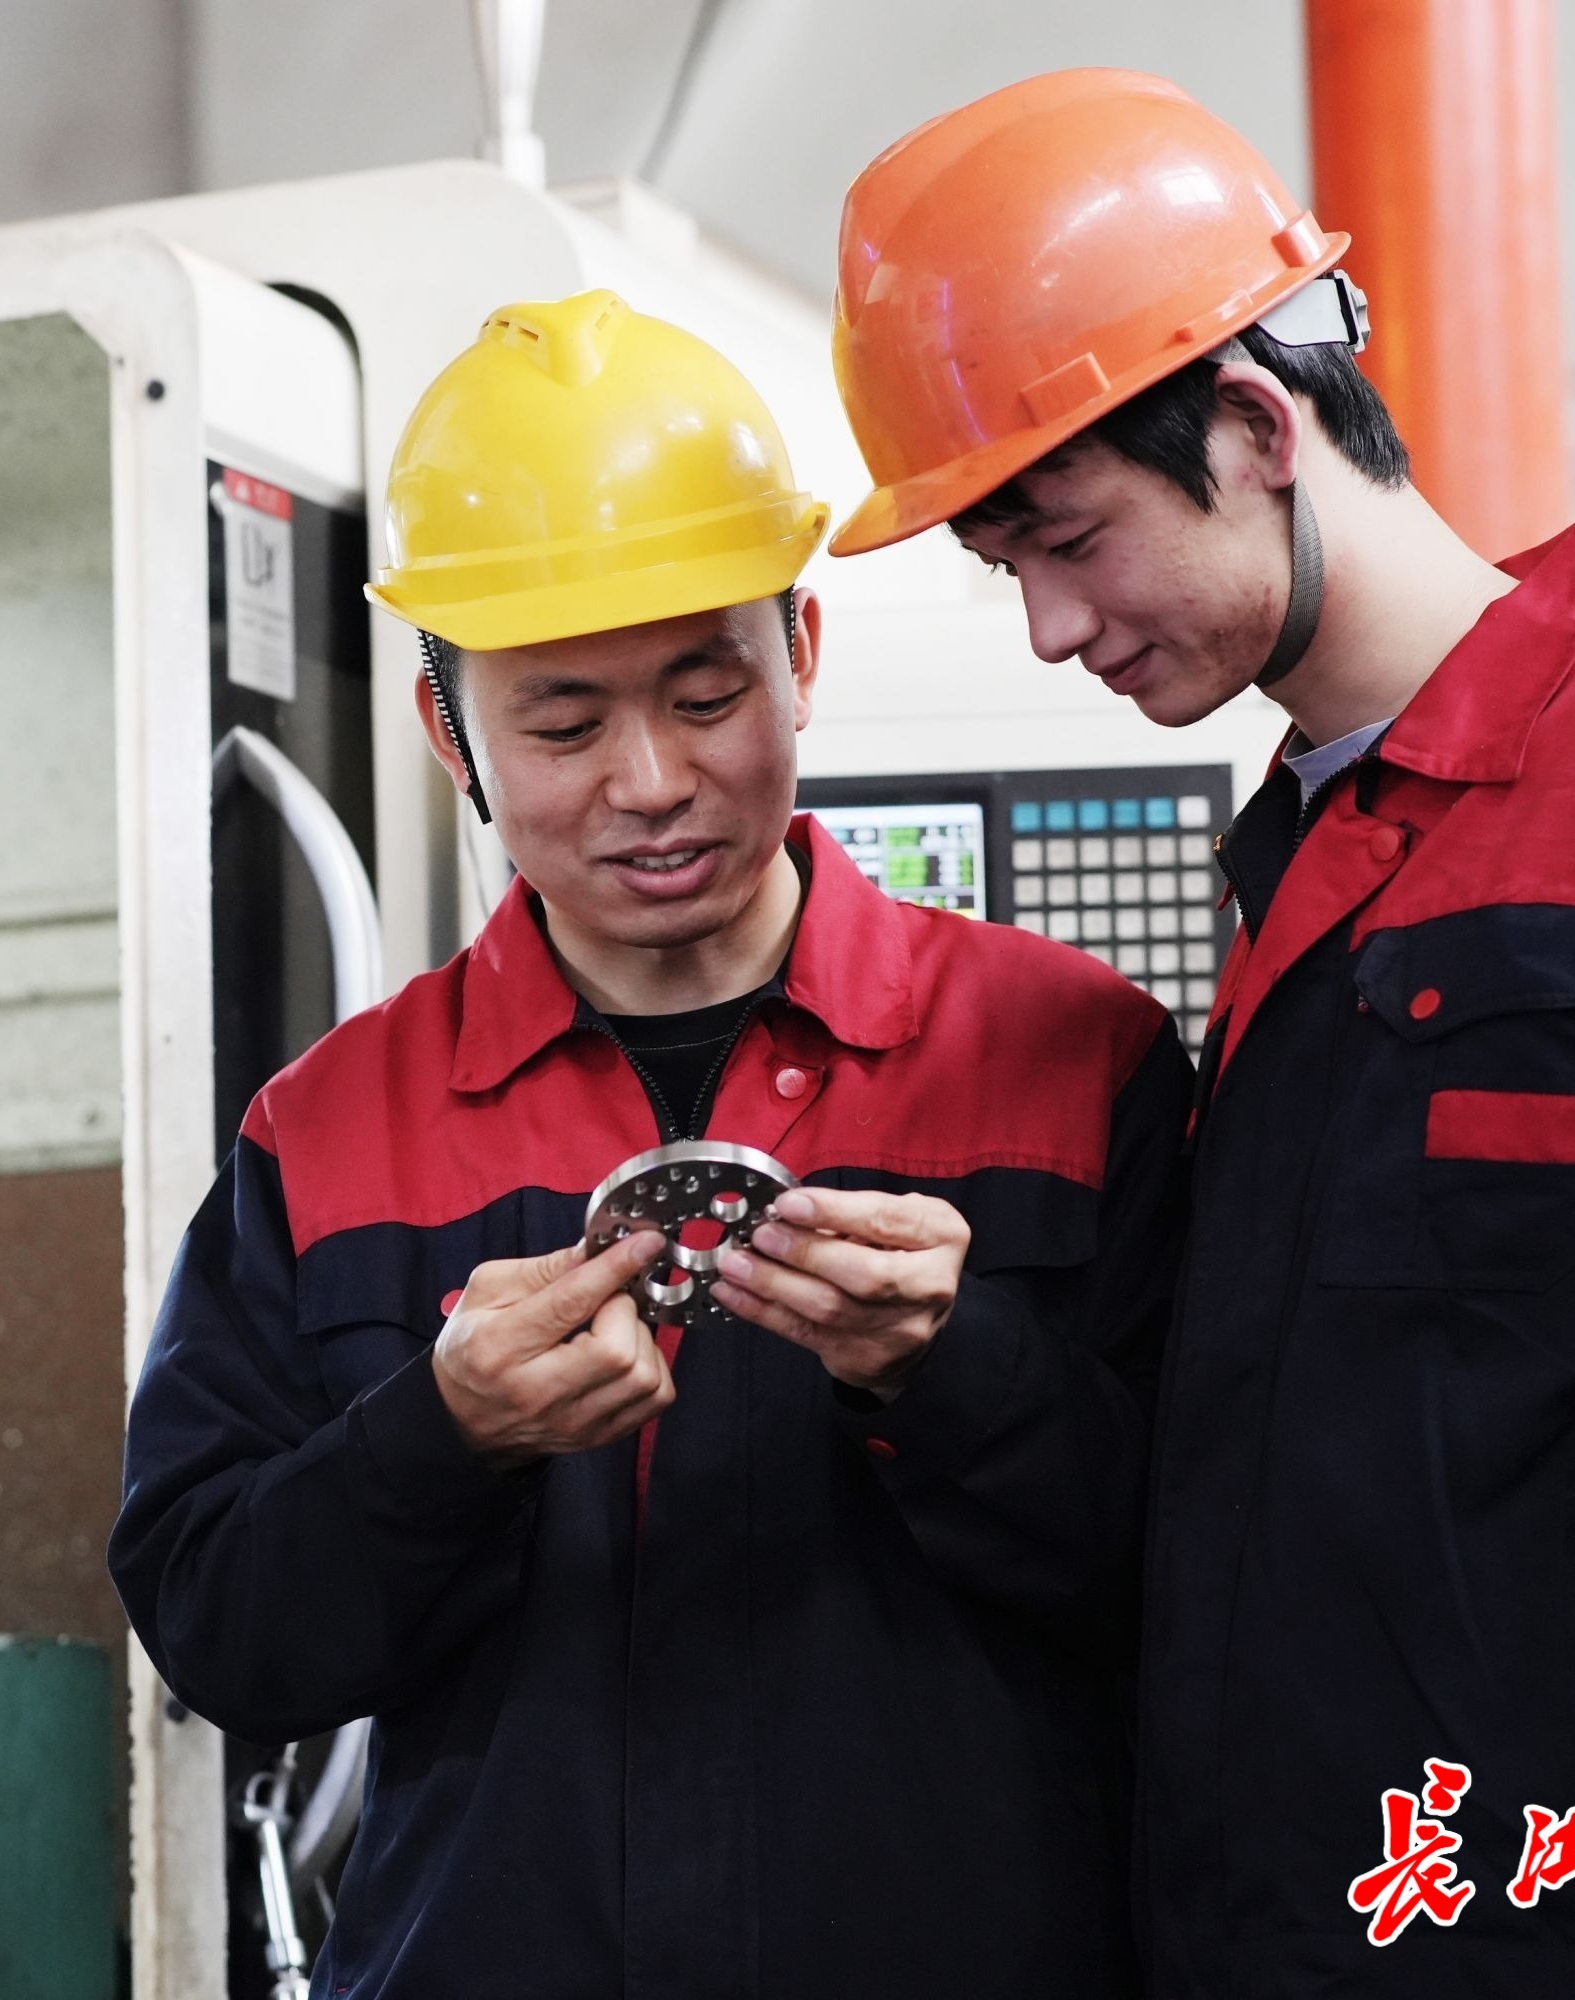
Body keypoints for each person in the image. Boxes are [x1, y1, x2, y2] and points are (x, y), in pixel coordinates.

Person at [826, 67, 1575, 2000]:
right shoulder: (1297, 876)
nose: (1052, 631)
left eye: (1068, 541)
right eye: (1009, 574)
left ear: (1258, 426)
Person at [110, 290, 1188, 1995]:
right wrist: (441, 1436)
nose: (650, 781)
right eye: (562, 724)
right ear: (450, 729)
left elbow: (1222, 1578)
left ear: (802, 656)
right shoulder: (325, 1138)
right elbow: (222, 1636)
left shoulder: (1067, 1055)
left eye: (705, 694)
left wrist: (955, 1371)